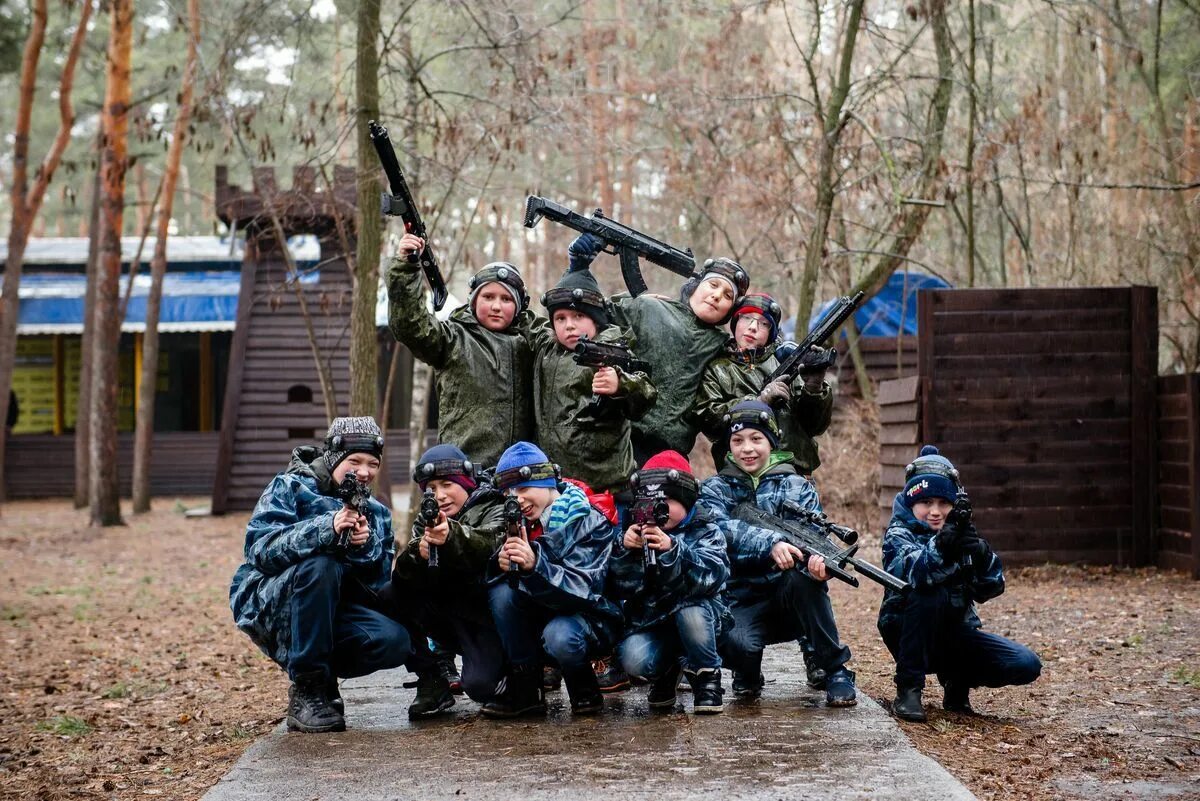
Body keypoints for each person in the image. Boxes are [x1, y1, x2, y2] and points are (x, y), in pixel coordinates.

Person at [229, 417, 448, 733]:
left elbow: (376, 588)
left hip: (332, 612)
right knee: (322, 564)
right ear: (333, 456)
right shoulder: (289, 487)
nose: (365, 471)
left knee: (392, 640)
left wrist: (364, 545)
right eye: (355, 461)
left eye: (373, 463)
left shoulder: (377, 513)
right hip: (270, 606)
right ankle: (309, 689)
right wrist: (327, 529)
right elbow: (260, 549)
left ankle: (325, 682)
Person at [697, 401, 858, 707]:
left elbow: (812, 536)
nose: (747, 449)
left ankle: (835, 670)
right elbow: (717, 530)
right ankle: (747, 670)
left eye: (756, 439)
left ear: (772, 441)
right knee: (737, 645)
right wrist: (769, 543)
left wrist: (816, 568)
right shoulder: (715, 489)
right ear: (729, 446)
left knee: (806, 582)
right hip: (740, 598)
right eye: (738, 440)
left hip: (789, 599)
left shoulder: (797, 485)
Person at [880, 446, 1042, 722]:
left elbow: (991, 587)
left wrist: (979, 553)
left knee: (1026, 664)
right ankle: (908, 690)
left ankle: (957, 683)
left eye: (943, 503)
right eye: (926, 503)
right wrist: (943, 547)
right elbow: (915, 574)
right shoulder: (898, 534)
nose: (935, 511)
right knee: (930, 592)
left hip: (955, 632)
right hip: (908, 632)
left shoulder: (959, 531)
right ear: (911, 502)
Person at [566, 233, 749, 463]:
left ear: (730, 310)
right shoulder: (648, 307)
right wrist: (578, 268)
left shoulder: (722, 346)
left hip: (670, 457)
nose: (716, 296)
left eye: (727, 295)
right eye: (713, 285)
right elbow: (587, 314)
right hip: (618, 443)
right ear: (695, 285)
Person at [482, 442, 623, 717]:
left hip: (591, 617)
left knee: (560, 635)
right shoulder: (515, 522)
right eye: (509, 493)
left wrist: (534, 565)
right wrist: (501, 565)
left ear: (548, 484)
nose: (517, 499)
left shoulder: (588, 518)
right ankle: (526, 691)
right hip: (544, 612)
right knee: (501, 592)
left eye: (523, 489)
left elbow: (583, 588)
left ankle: (584, 689)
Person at [388, 233, 533, 468]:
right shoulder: (453, 338)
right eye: (488, 296)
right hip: (463, 474)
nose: (496, 306)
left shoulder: (530, 345)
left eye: (506, 299)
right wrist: (405, 268)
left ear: (518, 306)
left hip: (519, 476)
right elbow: (411, 326)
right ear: (474, 301)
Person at [610, 452, 731, 713]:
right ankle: (667, 671)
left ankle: (707, 677)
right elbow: (620, 586)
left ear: (687, 502)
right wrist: (624, 551)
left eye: (667, 502)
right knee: (632, 658)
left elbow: (711, 577)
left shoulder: (706, 529)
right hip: (654, 624)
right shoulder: (634, 533)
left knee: (691, 613)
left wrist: (673, 549)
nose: (658, 510)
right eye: (651, 503)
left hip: (702, 621)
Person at [391, 444, 508, 705]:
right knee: (391, 593)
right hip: (449, 615)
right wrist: (416, 555)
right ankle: (433, 670)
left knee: (481, 687)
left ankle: (515, 668)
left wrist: (452, 536)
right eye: (431, 488)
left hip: (485, 619)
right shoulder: (428, 517)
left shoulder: (494, 504)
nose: (440, 495)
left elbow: (490, 544)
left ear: (466, 482)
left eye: (446, 484)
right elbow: (403, 579)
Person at [528, 268, 657, 493]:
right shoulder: (546, 348)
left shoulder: (612, 350)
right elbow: (523, 320)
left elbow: (646, 392)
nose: (569, 325)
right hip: (555, 484)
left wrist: (620, 384)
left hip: (606, 486)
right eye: (560, 318)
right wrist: (574, 266)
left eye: (579, 316)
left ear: (596, 320)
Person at [691, 292, 834, 476]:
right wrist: (759, 401)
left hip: (794, 474)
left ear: (771, 333)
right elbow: (709, 421)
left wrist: (814, 388)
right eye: (747, 318)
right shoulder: (717, 369)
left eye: (763, 323)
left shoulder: (788, 364)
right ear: (735, 323)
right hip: (740, 477)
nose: (752, 327)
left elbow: (815, 427)